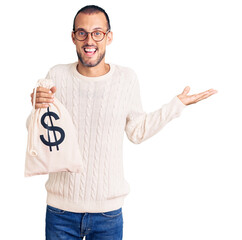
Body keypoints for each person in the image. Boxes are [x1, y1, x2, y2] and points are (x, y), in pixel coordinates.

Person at [27, 5, 217, 240]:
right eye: (82, 33)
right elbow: (40, 135)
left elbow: (137, 132)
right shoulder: (56, 75)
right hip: (61, 211)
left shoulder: (126, 79)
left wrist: (175, 106)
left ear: (109, 37)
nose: (90, 40)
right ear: (73, 37)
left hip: (107, 215)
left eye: (97, 33)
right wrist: (36, 109)